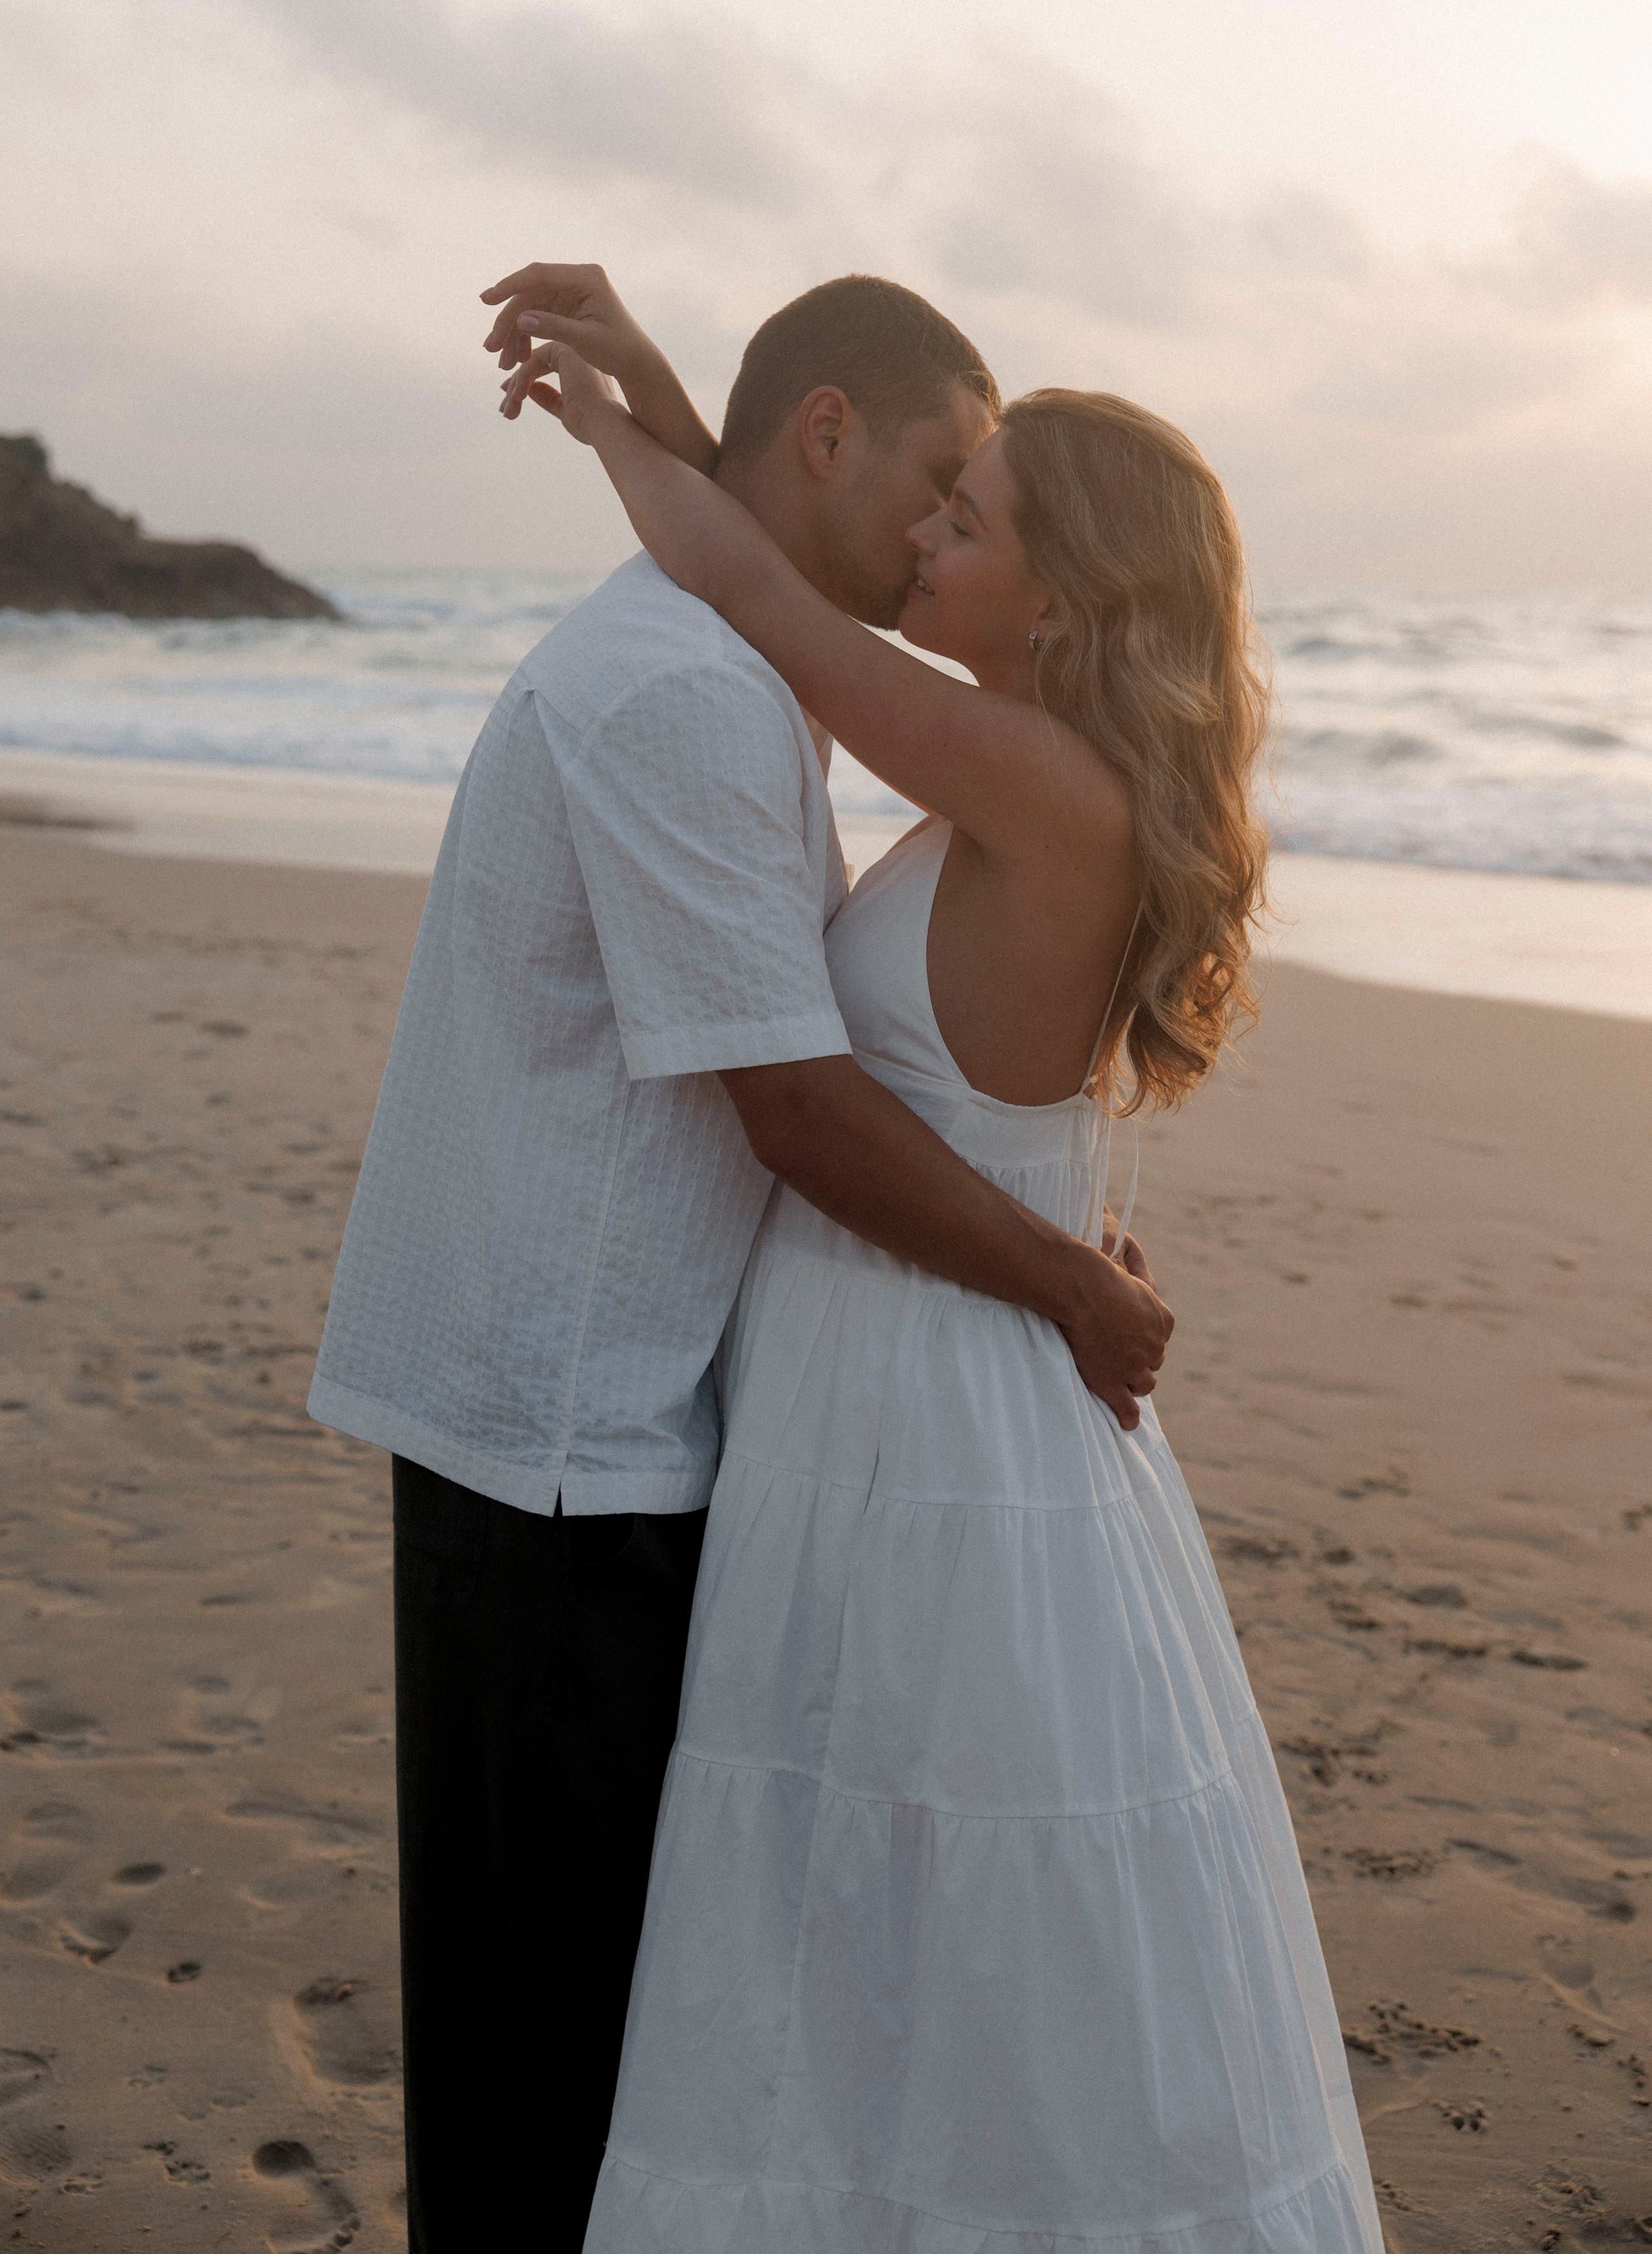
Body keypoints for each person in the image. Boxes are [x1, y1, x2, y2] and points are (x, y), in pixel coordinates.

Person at [307, 269, 1173, 2254]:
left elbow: (770, 576)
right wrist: (1063, 1274)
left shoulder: (722, 659)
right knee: (550, 2056)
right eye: (940, 476)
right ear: (829, 438)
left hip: (604, 1420)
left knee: (593, 2026)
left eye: (986, 503)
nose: (949, 523)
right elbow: (793, 1105)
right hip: (562, 1441)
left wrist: (655, 428)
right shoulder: (694, 692)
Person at [501, 321, 1385, 2252]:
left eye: (964, 525)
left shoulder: (1024, 771)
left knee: (909, 1873)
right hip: (899, 1368)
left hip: (926, 1394)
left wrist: (619, 413)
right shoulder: (1015, 779)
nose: (920, 549)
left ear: (1061, 591)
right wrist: (688, 420)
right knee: (874, 1881)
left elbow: (745, 579)